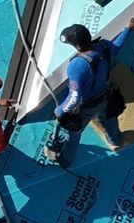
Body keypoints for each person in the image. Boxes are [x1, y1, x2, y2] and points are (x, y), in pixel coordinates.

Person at [47, 22, 126, 168]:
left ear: (76, 47)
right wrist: (128, 28)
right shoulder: (103, 46)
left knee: (74, 134)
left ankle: (66, 160)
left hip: (87, 106)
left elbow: (74, 97)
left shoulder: (77, 66)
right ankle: (115, 141)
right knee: (109, 118)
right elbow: (117, 47)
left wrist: (59, 111)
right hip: (107, 95)